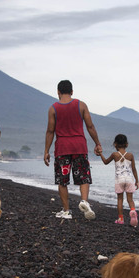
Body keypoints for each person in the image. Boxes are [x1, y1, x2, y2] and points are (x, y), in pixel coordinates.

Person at [44, 80, 103, 219]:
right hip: (79, 146)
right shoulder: (81, 105)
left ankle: (66, 211)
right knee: (83, 177)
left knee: (62, 181)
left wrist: (46, 150)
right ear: (72, 91)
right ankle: (84, 201)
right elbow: (90, 126)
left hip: (62, 148)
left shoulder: (53, 109)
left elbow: (50, 131)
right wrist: (97, 143)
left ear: (58, 92)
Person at [99, 134, 139, 226]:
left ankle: (121, 219)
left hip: (119, 180)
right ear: (127, 144)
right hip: (129, 179)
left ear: (115, 144)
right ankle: (133, 211)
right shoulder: (130, 155)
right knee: (130, 200)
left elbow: (105, 162)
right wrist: (137, 181)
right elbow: (134, 169)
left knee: (120, 199)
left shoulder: (115, 155)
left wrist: (100, 154)